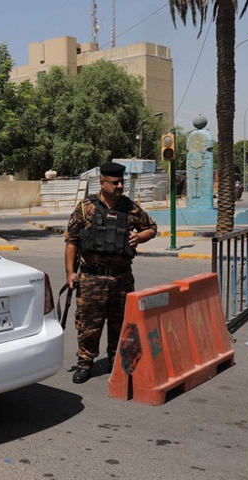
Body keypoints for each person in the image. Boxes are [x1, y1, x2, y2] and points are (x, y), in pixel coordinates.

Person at [64, 162, 157, 384]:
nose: (120, 186)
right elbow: (71, 241)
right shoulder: (85, 208)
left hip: (121, 278)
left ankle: (117, 363)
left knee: (121, 324)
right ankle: (85, 364)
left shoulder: (130, 208)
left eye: (122, 182)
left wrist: (140, 237)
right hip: (92, 278)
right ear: (102, 182)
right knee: (88, 325)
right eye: (115, 183)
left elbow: (151, 228)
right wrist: (69, 273)